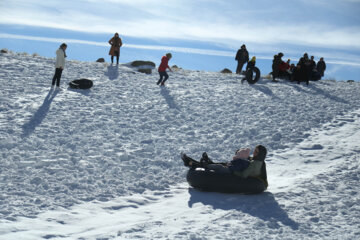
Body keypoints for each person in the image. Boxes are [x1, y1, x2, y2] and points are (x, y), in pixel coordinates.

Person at [181, 145, 268, 185]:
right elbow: (248, 162)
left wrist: (234, 171)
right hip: (234, 169)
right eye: (255, 151)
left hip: (234, 172)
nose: (254, 153)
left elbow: (245, 174)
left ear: (260, 154)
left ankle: (197, 164)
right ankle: (203, 163)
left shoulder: (255, 164)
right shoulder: (257, 161)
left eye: (256, 152)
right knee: (222, 164)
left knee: (219, 167)